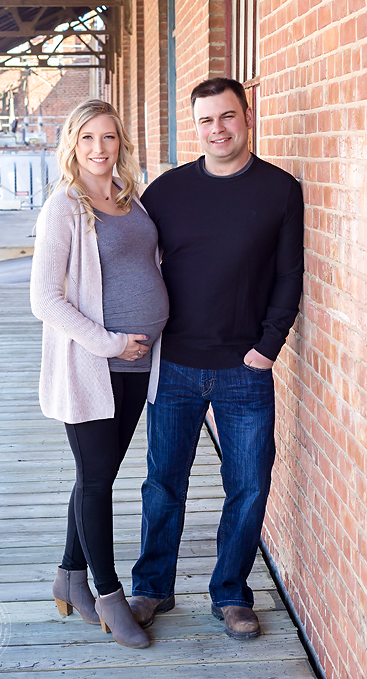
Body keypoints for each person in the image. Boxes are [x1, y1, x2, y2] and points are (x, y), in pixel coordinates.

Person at [129, 77, 304, 639]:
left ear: (247, 117)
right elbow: (132, 263)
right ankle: (152, 587)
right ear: (195, 126)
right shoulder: (166, 191)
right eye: (206, 121)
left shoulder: (279, 190)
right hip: (174, 362)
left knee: (249, 484)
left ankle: (231, 592)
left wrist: (267, 347)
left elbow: (288, 275)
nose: (218, 130)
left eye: (227, 117)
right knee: (163, 482)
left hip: (243, 367)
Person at [30, 99, 168, 649]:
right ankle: (109, 593)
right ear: (72, 144)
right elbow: (45, 299)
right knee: (96, 479)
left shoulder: (129, 199)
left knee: (99, 474)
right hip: (93, 364)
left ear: (120, 143)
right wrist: (110, 341)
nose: (98, 149)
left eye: (108, 137)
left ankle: (68, 575)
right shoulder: (63, 207)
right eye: (87, 138)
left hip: (137, 364)